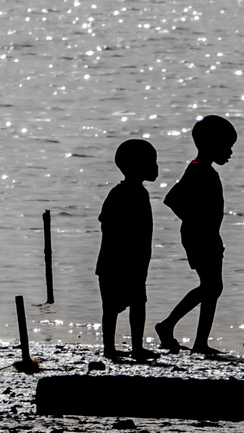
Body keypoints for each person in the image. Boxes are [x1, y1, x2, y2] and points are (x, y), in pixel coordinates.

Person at [155, 115, 236, 356]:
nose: (230, 152)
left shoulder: (205, 170)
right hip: (200, 237)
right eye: (227, 146)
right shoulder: (198, 170)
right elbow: (172, 199)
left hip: (208, 236)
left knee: (212, 287)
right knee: (211, 286)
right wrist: (195, 222)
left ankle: (200, 341)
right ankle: (168, 325)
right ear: (212, 144)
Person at [96, 138, 160, 363]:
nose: (156, 167)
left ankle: (136, 347)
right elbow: (107, 221)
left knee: (137, 303)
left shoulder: (140, 193)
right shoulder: (122, 193)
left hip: (134, 261)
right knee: (112, 307)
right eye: (152, 162)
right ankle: (110, 349)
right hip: (116, 262)